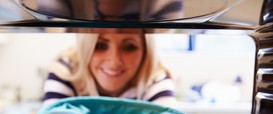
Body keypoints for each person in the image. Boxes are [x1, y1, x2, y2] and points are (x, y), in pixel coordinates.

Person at [42, 29, 177, 107]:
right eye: (100, 46)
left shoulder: (156, 79)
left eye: (129, 47)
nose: (114, 62)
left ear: (146, 50)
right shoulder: (65, 72)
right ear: (85, 48)